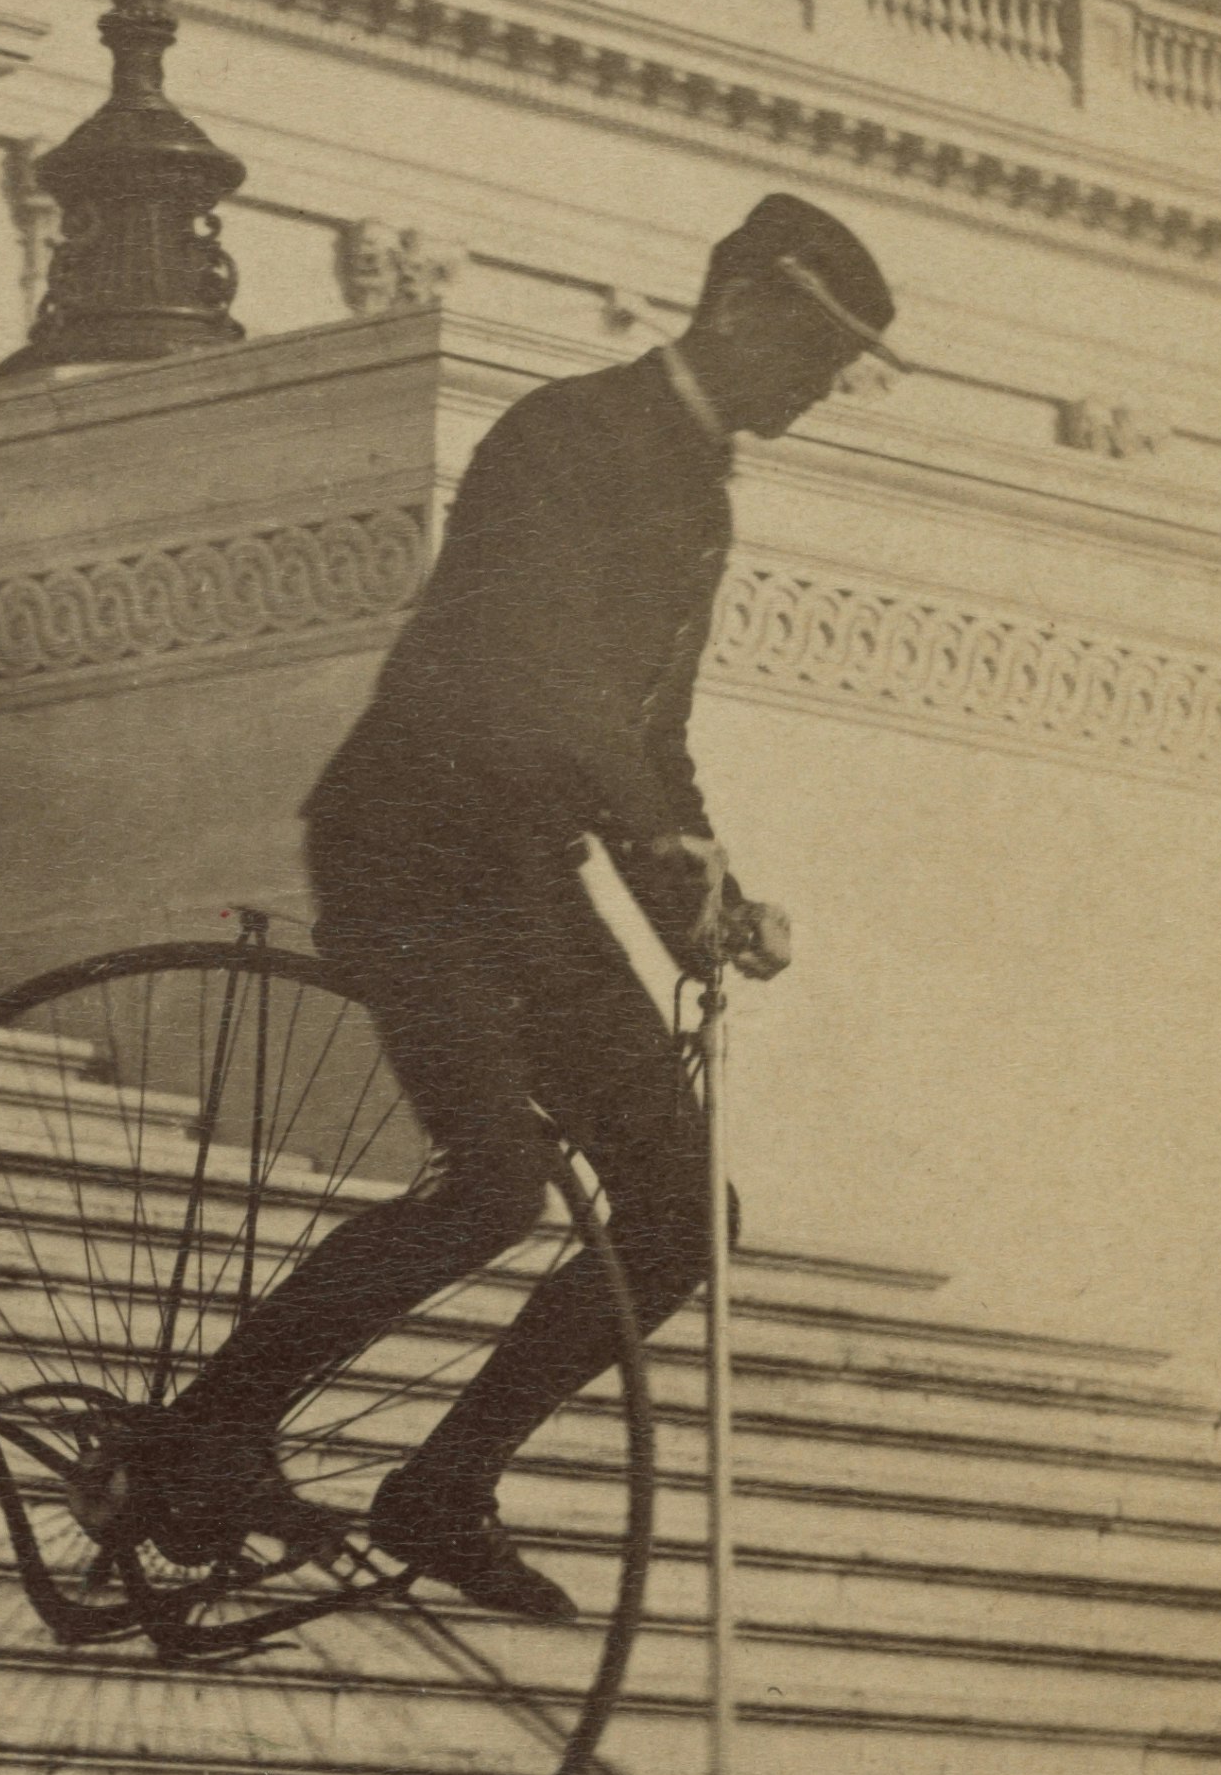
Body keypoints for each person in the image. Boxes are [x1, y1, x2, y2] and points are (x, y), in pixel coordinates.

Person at [133, 191, 899, 1617]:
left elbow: (647, 737)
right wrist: (662, 840)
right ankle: (208, 1434)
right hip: (409, 847)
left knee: (678, 1215)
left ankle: (442, 1486)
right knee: (497, 1187)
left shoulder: (703, 496)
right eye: (812, 352)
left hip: (526, 878)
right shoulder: (566, 438)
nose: (820, 390)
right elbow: (533, 678)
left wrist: (705, 899)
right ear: (736, 308)